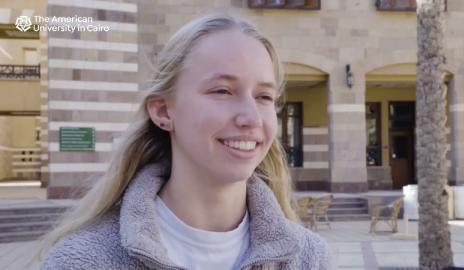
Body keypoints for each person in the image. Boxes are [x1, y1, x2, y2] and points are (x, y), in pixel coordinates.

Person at [37, 13, 334, 270]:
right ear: (164, 111)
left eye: (264, 97)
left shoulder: (308, 257)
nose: (252, 118)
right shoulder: (83, 260)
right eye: (222, 91)